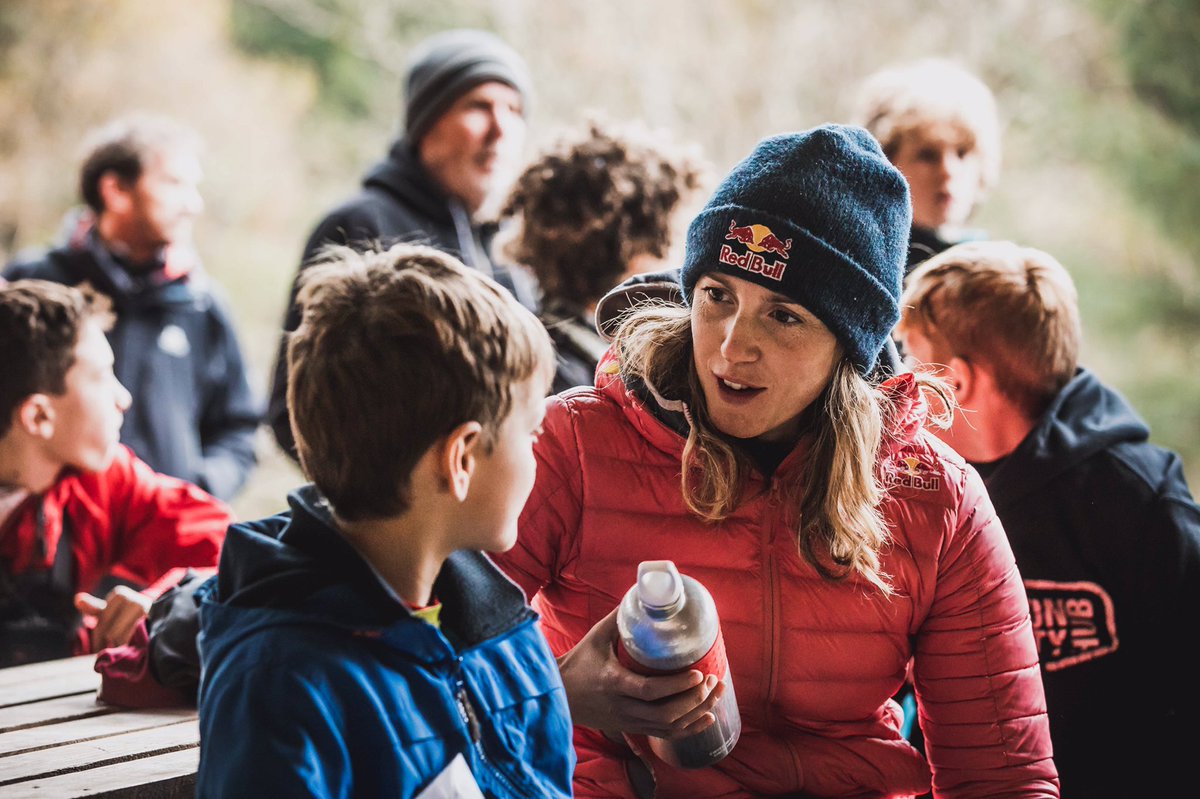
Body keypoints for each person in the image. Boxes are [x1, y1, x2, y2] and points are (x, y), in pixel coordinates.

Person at [492, 125, 1059, 798]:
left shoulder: (936, 497)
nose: (733, 347)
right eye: (717, 295)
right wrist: (557, 694)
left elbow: (1003, 778)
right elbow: (416, 677)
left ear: (849, 344)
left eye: (784, 316)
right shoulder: (573, 442)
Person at [196, 244, 573, 797]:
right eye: (532, 431)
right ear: (461, 459)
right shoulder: (281, 687)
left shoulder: (506, 636)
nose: (538, 455)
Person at [898, 241, 1200, 799]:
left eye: (911, 360)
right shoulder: (923, 492)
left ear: (957, 383)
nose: (901, 385)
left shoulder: (1143, 503)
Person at [268, 28, 536, 458]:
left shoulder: (512, 250)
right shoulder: (360, 226)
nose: (501, 129)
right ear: (424, 124)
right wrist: (398, 497)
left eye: (514, 109)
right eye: (478, 106)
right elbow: (294, 411)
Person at [3, 114, 260, 502]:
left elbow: (239, 426)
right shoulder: (32, 283)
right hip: (41, 529)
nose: (193, 205)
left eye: (193, 187)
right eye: (174, 183)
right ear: (116, 191)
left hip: (166, 530)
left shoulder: (203, 303)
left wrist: (197, 490)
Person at [0, 280, 230, 668]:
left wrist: (173, 605)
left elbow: (234, 552)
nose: (124, 398)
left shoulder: (100, 481)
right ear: (38, 416)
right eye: (102, 376)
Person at [501, 119, 705, 393]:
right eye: (672, 239)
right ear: (632, 247)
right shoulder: (578, 377)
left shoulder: (534, 346)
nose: (676, 262)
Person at [852, 58, 1001, 272]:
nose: (948, 171)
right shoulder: (863, 264)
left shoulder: (993, 264)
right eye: (927, 155)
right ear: (886, 163)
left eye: (962, 153)